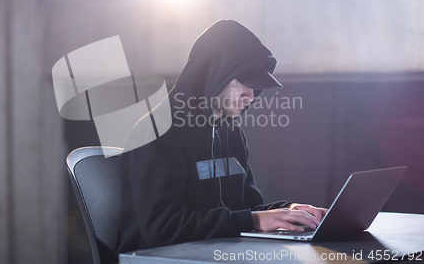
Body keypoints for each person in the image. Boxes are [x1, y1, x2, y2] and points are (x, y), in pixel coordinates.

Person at [116, 20, 326, 256]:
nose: (251, 95)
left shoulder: (231, 132)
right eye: (242, 83)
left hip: (215, 255)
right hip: (158, 259)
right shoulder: (155, 131)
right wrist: (254, 220)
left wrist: (288, 212)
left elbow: (246, 210)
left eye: (256, 87)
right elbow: (163, 229)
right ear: (212, 74)